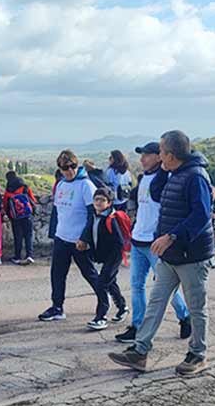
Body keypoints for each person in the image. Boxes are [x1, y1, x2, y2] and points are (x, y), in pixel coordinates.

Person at [109, 130, 213, 377]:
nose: (158, 156)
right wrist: (160, 172)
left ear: (170, 154)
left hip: (192, 255)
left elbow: (201, 215)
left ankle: (198, 354)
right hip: (170, 254)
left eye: (161, 151)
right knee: (156, 301)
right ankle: (140, 351)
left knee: (196, 307)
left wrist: (172, 236)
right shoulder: (173, 174)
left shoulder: (195, 177)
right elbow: (157, 196)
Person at [115, 142, 191, 344]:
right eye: (142, 155)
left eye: (147, 155)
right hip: (138, 238)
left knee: (164, 286)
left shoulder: (165, 179)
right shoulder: (143, 179)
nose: (142, 159)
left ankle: (184, 316)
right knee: (136, 285)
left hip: (155, 241)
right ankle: (137, 325)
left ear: (159, 157)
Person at [39, 150, 101, 321]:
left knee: (89, 272)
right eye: (65, 167)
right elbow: (58, 212)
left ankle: (104, 300)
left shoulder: (85, 185)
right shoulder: (60, 185)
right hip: (62, 236)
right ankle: (57, 306)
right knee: (57, 273)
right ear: (60, 168)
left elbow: (93, 213)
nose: (70, 170)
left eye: (73, 166)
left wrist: (85, 238)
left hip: (78, 239)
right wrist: (55, 233)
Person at [78, 187, 129, 330]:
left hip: (113, 257)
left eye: (102, 200)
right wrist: (83, 241)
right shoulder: (94, 215)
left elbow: (119, 243)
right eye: (96, 199)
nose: (98, 202)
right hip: (105, 257)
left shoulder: (111, 219)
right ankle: (122, 307)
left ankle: (101, 317)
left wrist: (112, 261)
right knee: (110, 282)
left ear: (109, 202)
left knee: (101, 284)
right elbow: (89, 230)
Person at [2, 171, 37, 265]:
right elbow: (33, 200)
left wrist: (9, 215)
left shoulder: (8, 191)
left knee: (18, 236)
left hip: (16, 217)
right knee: (28, 235)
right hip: (27, 215)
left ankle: (17, 257)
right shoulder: (25, 187)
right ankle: (29, 255)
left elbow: (5, 205)